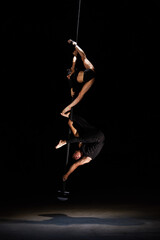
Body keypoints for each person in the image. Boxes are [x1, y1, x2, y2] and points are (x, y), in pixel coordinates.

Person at [55, 114, 105, 181]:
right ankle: (64, 142)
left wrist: (70, 125)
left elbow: (76, 135)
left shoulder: (80, 147)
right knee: (82, 139)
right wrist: (67, 174)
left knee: (85, 126)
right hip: (99, 138)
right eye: (77, 158)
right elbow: (75, 165)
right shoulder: (86, 159)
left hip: (95, 133)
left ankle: (71, 115)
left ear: (76, 151)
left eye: (75, 156)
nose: (77, 157)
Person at [61, 39, 95, 118]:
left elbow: (75, 61)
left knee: (80, 95)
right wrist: (75, 52)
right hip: (90, 74)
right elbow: (76, 59)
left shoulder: (72, 73)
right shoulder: (71, 76)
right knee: (84, 58)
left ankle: (66, 109)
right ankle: (66, 110)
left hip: (88, 74)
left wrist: (75, 53)